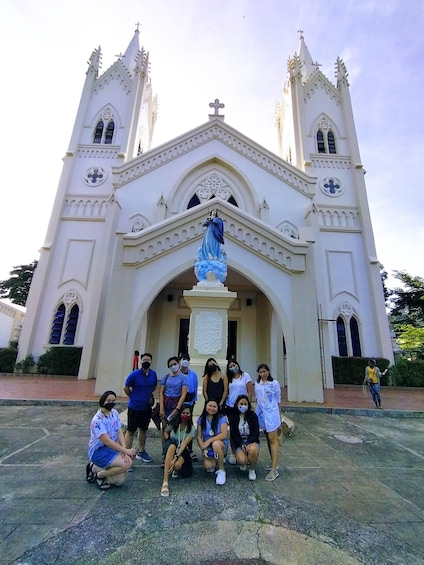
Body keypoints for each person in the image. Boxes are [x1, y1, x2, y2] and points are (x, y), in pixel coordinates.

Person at [87, 390, 137, 490]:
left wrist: (124, 449)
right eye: (108, 401)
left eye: (113, 401)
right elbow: (107, 441)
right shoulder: (97, 420)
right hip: (99, 451)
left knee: (118, 481)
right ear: (102, 401)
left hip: (111, 449)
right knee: (127, 463)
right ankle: (99, 475)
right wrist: (125, 451)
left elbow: (119, 431)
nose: (111, 403)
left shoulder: (114, 413)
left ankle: (96, 468)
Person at [124, 352, 157, 463]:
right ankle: (126, 454)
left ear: (151, 362)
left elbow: (153, 386)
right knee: (130, 431)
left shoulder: (153, 374)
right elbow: (126, 388)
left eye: (148, 360)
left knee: (143, 429)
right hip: (134, 407)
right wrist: (133, 397)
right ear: (140, 361)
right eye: (144, 360)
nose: (146, 362)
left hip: (146, 407)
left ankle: (141, 451)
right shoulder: (134, 375)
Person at [160, 404, 196, 497]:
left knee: (177, 465)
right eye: (183, 413)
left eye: (187, 413)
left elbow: (184, 445)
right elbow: (165, 431)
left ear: (190, 414)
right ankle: (165, 482)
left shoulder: (191, 429)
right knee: (171, 446)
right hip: (172, 445)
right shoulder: (174, 424)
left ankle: (173, 468)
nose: (185, 415)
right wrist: (168, 440)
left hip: (182, 450)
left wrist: (175, 458)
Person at [255, 363, 281, 482]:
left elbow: (278, 399)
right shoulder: (257, 384)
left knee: (273, 439)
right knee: (267, 438)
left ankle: (274, 469)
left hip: (272, 413)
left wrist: (279, 416)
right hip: (262, 413)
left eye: (264, 371)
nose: (262, 374)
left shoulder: (274, 383)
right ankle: (273, 463)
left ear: (268, 372)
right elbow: (258, 399)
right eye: (260, 372)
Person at [225, 359, 253, 464]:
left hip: (243, 405)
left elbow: (250, 391)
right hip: (231, 406)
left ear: (238, 365)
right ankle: (233, 452)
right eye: (230, 366)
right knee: (233, 430)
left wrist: (249, 404)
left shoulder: (245, 376)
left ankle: (245, 449)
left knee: (245, 428)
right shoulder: (229, 378)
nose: (233, 367)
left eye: (234, 365)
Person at [196, 399, 229, 485]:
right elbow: (199, 436)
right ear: (206, 406)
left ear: (218, 408)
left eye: (214, 406)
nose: (212, 408)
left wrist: (210, 440)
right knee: (209, 467)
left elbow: (224, 434)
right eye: (210, 406)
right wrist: (203, 448)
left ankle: (221, 470)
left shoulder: (222, 418)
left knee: (216, 444)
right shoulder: (201, 419)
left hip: (220, 444)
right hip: (208, 447)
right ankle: (217, 459)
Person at [229, 395, 260, 481]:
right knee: (242, 460)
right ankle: (244, 462)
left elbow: (256, 432)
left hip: (251, 441)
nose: (243, 406)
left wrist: (248, 442)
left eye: (245, 404)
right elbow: (233, 434)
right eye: (241, 404)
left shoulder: (253, 416)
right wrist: (241, 444)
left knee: (253, 450)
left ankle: (252, 469)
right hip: (239, 443)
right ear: (237, 404)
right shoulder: (233, 417)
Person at [159, 356, 188, 444]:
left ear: (178, 364)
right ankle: (165, 450)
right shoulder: (166, 377)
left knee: (175, 427)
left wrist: (177, 408)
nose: (173, 366)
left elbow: (184, 393)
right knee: (165, 428)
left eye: (174, 364)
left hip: (176, 403)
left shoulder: (184, 377)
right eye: (171, 365)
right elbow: (161, 392)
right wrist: (161, 408)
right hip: (166, 403)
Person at [179, 353, 199, 461]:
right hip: (179, 403)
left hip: (190, 403)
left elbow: (195, 387)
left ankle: (189, 450)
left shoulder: (193, 374)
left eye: (187, 359)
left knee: (189, 426)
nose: (185, 361)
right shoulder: (177, 373)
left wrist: (194, 401)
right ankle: (179, 448)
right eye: (183, 359)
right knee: (179, 425)